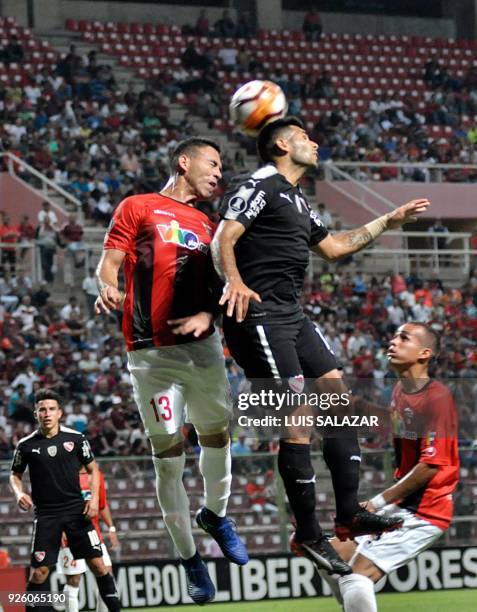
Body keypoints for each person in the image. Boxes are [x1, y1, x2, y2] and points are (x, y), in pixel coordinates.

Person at [211, 116, 430, 575]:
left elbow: (333, 247)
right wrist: (234, 281)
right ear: (280, 146)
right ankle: (308, 532)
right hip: (259, 314)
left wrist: (388, 220)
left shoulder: (294, 198)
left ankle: (348, 514)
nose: (313, 142)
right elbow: (223, 237)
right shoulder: (260, 183)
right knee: (299, 416)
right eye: (304, 137)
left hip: (292, 315)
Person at [94, 137, 248, 605]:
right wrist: (106, 287)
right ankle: (189, 560)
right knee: (169, 458)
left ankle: (216, 516)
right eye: (213, 162)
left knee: (218, 436)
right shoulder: (138, 206)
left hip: (201, 350)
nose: (219, 172)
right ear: (184, 161)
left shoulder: (211, 224)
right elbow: (109, 264)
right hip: (150, 355)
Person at [321, 323, 459, 612]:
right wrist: (358, 406)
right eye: (394, 335)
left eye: (403, 338)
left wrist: (376, 502)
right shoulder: (401, 389)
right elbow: (398, 423)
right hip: (404, 504)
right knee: (327, 557)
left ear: (424, 353)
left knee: (356, 577)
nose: (393, 341)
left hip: (426, 509)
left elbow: (431, 466)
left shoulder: (438, 398)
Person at [9, 389, 121, 612]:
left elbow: (93, 469)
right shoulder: (26, 445)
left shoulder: (76, 439)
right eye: (42, 409)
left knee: (99, 566)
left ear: (60, 413)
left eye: (51, 409)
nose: (47, 413)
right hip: (46, 515)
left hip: (76, 512)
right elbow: (15, 475)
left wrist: (94, 497)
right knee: (40, 573)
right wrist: (19, 493)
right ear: (36, 414)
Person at [57, 467, 119, 612]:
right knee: (73, 580)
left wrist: (111, 528)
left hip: (94, 535)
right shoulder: (63, 474)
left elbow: (102, 505)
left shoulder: (97, 475)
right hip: (69, 534)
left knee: (107, 576)